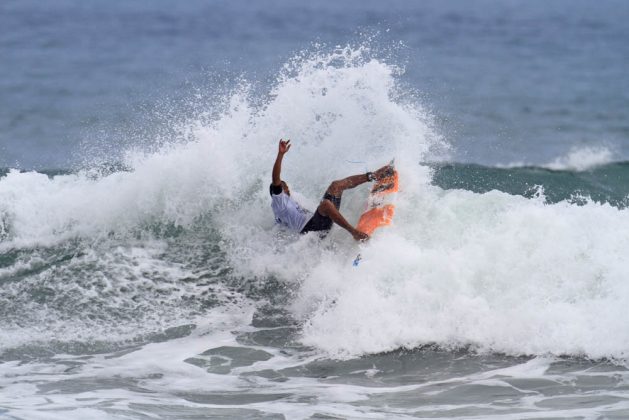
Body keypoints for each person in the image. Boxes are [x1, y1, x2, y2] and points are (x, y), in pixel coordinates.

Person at [270, 139, 390, 241]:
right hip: (310, 231)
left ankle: (374, 176)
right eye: (284, 188)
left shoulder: (285, 205)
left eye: (286, 187)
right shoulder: (279, 202)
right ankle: (354, 233)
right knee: (325, 205)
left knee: (335, 185)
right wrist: (280, 155)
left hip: (316, 223)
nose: (288, 190)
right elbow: (276, 179)